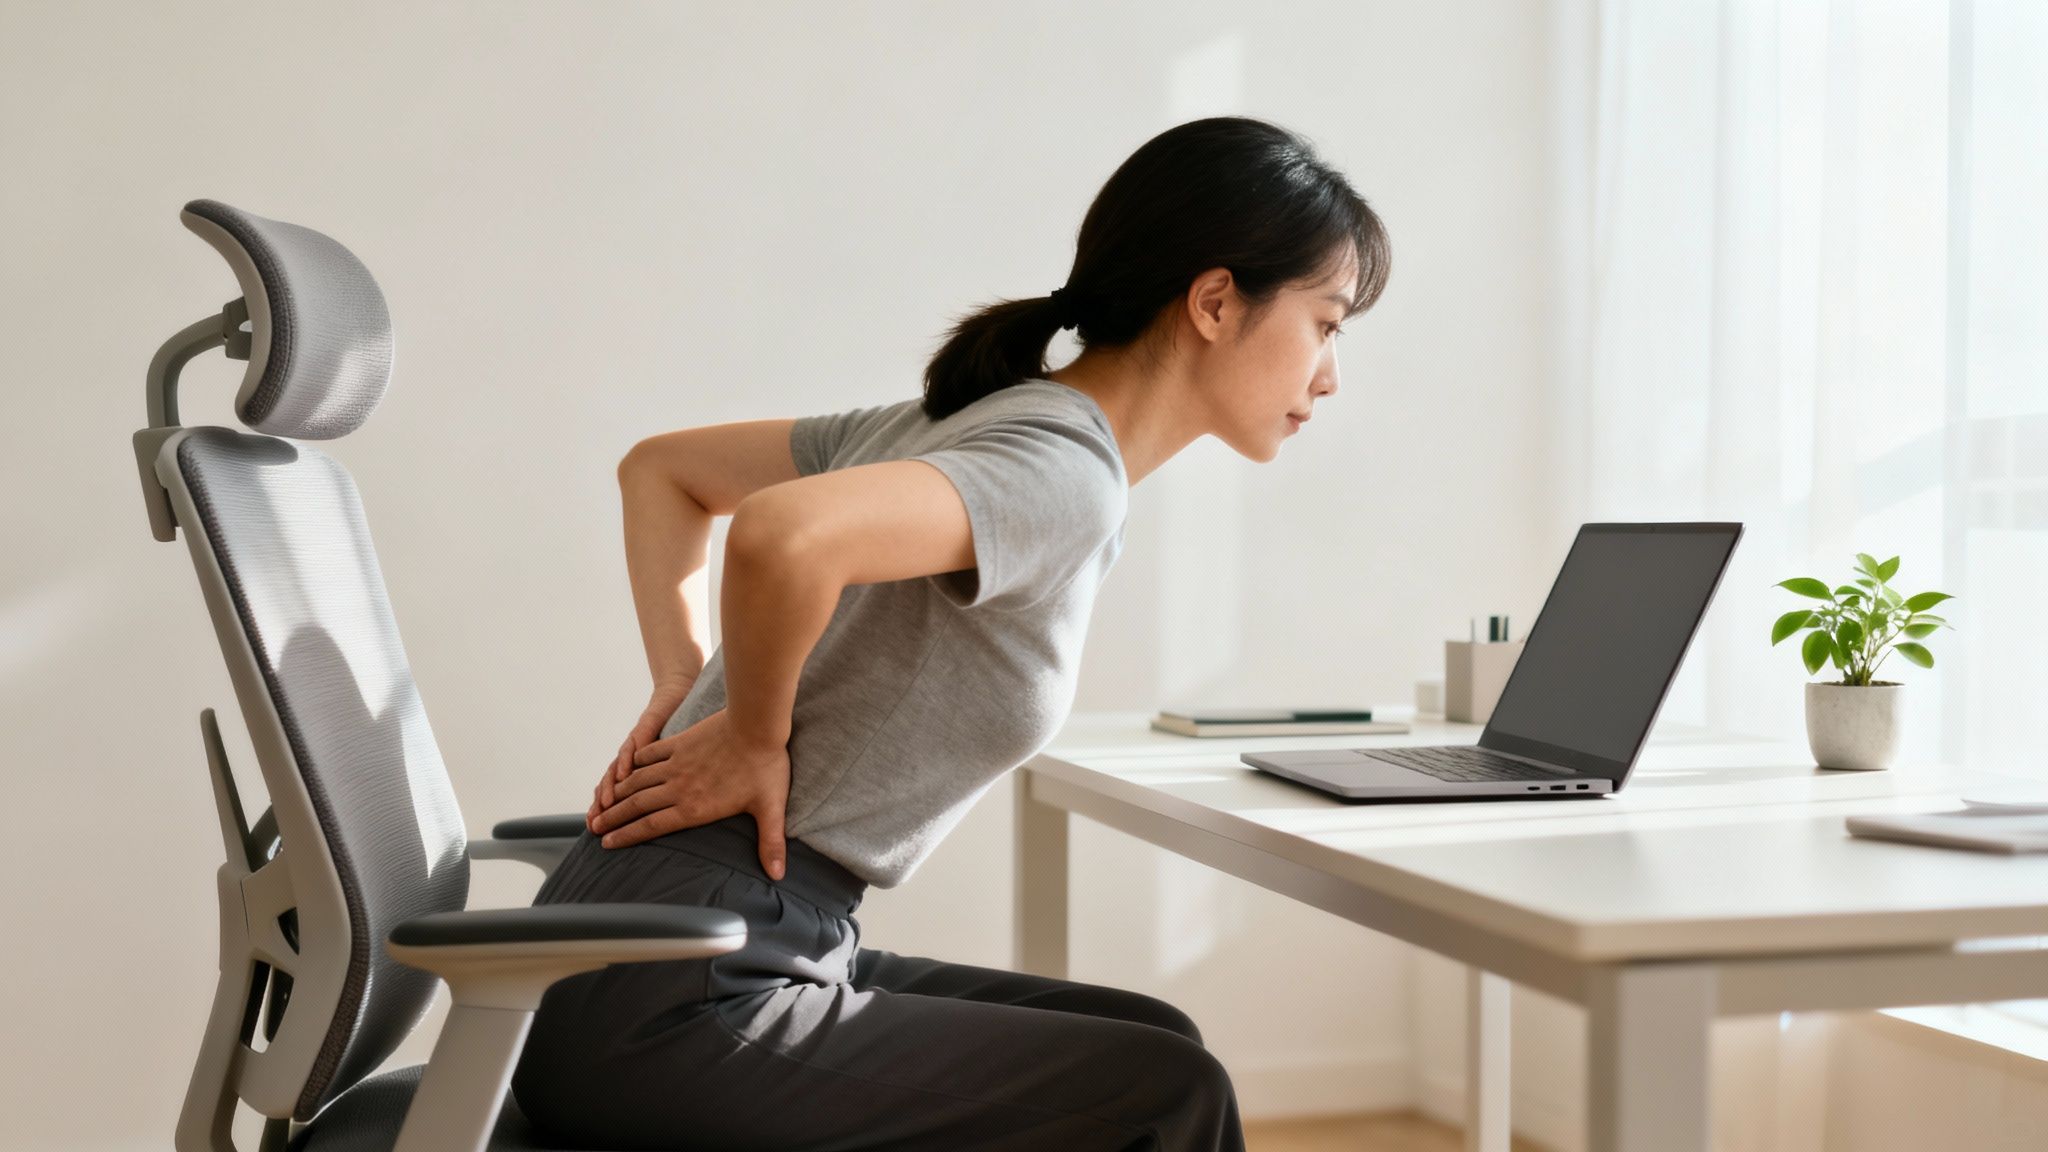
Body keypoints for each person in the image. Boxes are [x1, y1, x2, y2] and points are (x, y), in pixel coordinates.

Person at [510, 115, 1390, 1151]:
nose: (1329, 374)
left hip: (657, 947)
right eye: (1326, 324)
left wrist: (682, 678)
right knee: (1166, 1093)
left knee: (1152, 1039)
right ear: (1212, 301)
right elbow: (781, 536)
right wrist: (747, 731)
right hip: (675, 997)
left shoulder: (963, 420)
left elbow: (659, 470)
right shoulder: (1059, 475)